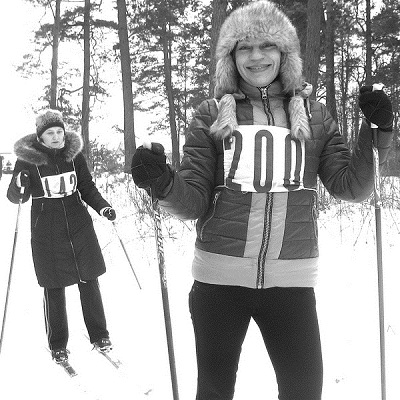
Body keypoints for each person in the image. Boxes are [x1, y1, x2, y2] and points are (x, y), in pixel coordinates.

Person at [131, 1, 394, 399]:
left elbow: (351, 187)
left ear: (284, 53)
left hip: (292, 280)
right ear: (230, 57)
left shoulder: (317, 116)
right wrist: (163, 182)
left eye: (267, 45)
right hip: (219, 280)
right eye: (244, 48)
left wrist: (376, 131)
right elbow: (194, 202)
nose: (256, 56)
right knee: (215, 392)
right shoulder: (211, 114)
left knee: (304, 390)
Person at [7, 109, 116, 364]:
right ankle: (58, 344)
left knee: (89, 279)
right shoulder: (28, 160)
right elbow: (16, 197)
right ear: (41, 137)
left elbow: (87, 187)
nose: (56, 137)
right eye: (50, 133)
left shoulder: (73, 155)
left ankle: (100, 335)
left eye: (59, 132)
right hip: (46, 226)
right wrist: (19, 183)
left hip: (78, 222)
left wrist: (103, 207)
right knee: (53, 285)